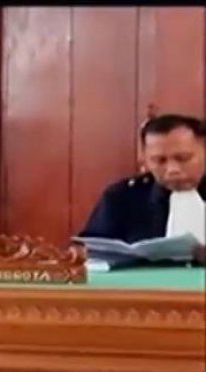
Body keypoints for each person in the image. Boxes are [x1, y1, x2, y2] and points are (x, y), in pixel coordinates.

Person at [78, 113, 206, 263]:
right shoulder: (122, 197)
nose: (172, 169)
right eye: (159, 160)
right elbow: (91, 251)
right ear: (145, 159)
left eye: (183, 158)